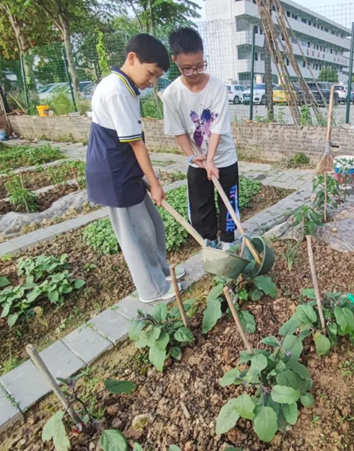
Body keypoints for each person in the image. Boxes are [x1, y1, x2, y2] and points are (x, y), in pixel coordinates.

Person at [86, 34, 185, 303]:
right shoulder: (116, 90)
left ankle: (162, 273)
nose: (152, 81)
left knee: (152, 227)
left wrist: (147, 178)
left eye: (157, 77)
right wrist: (155, 183)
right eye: (151, 73)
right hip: (114, 175)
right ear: (132, 58)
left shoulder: (126, 87)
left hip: (125, 169)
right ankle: (151, 291)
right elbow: (137, 144)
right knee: (136, 236)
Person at [162, 27, 239, 250]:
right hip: (196, 159)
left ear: (203, 56)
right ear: (175, 61)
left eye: (199, 65)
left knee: (228, 201)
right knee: (200, 205)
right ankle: (210, 242)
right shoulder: (171, 94)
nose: (194, 72)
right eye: (187, 68)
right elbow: (178, 132)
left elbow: (218, 128)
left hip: (223, 156)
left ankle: (228, 242)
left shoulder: (217, 87)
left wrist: (211, 160)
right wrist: (192, 156)